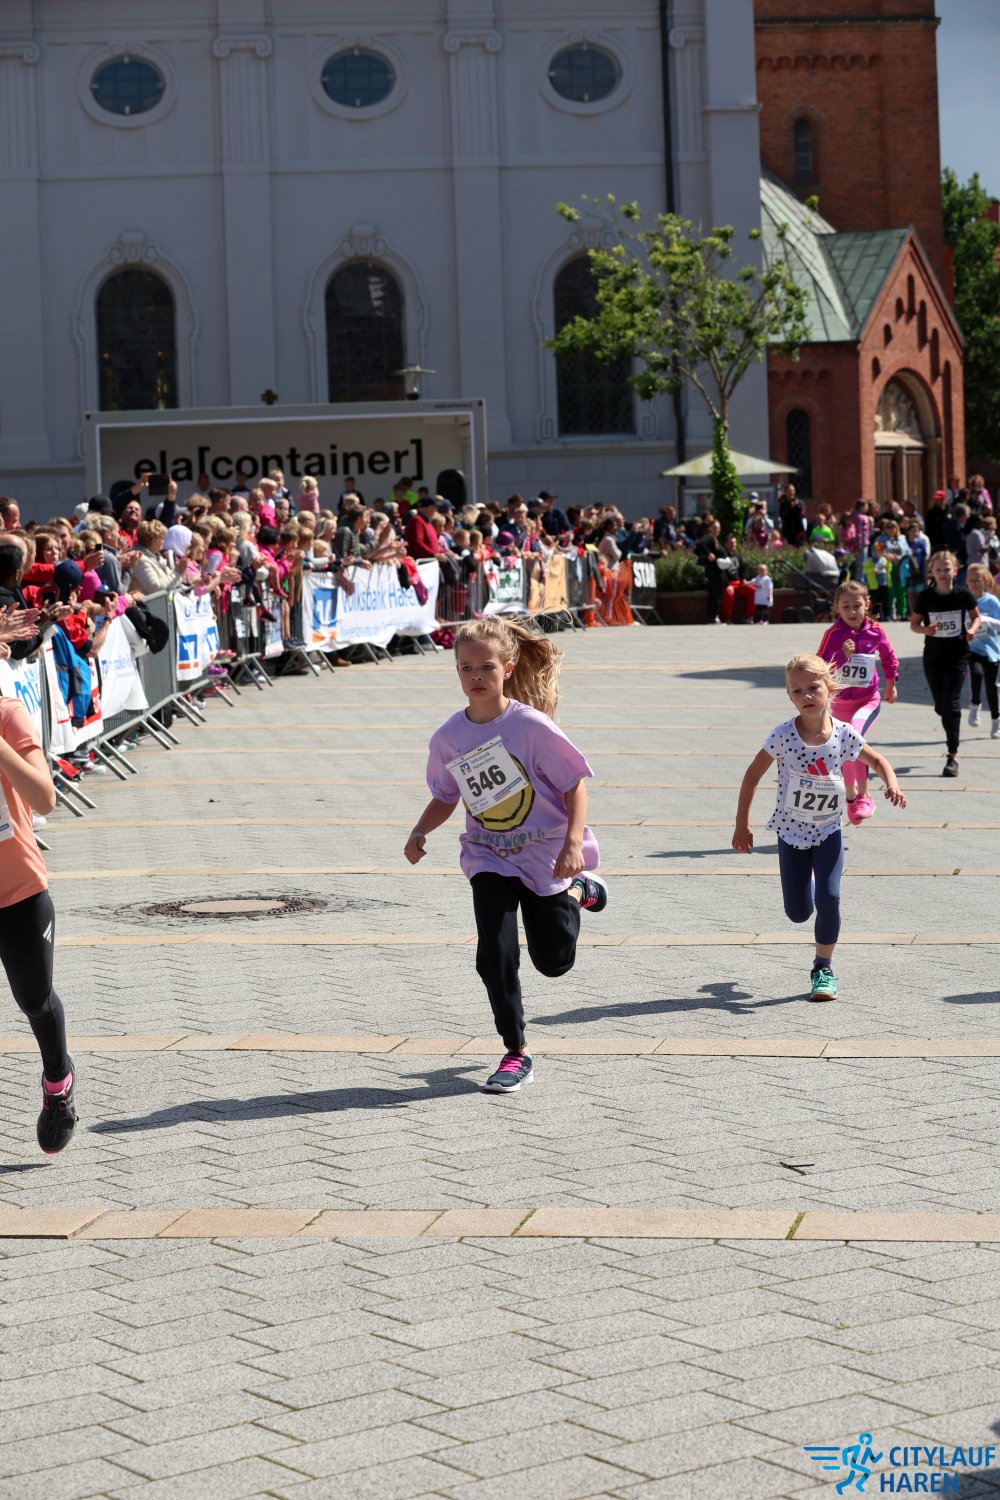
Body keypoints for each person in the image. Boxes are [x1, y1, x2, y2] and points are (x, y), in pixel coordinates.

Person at [404, 617, 608, 1093]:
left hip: (545, 856)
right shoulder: (448, 737)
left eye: (486, 667)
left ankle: (577, 891)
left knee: (554, 962)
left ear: (508, 669)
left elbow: (574, 784)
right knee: (494, 953)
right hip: (488, 855)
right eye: (466, 668)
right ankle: (516, 1051)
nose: (476, 676)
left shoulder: (529, 726)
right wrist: (419, 830)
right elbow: (446, 795)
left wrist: (573, 843)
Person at [732, 653, 905, 1002]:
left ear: (830, 689)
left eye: (813, 688)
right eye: (797, 691)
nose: (806, 696)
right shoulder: (783, 735)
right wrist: (741, 825)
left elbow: (877, 759)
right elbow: (751, 776)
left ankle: (823, 968)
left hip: (828, 831)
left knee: (831, 897)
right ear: (789, 696)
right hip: (790, 833)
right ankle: (808, 887)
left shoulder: (843, 734)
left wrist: (892, 783)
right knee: (798, 913)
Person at [0, 676, 78, 1152]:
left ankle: (58, 1083)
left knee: (35, 1001)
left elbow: (45, 797)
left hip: (17, 891)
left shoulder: (8, 714)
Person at [817, 582, 898, 823]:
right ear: (836, 607)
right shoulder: (833, 634)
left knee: (854, 737)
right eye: (846, 607)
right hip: (840, 703)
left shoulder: (876, 631)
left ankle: (864, 795)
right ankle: (851, 798)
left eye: (857, 606)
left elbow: (889, 657)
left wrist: (891, 683)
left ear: (867, 605)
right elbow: (820, 666)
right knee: (845, 749)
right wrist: (842, 655)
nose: (852, 612)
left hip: (867, 700)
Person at [911, 550, 980, 777]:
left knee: (951, 706)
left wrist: (972, 629)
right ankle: (947, 720)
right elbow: (914, 624)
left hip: (958, 656)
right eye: (938, 569)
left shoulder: (963, 595)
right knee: (941, 707)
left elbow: (976, 616)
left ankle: (952, 755)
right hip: (933, 658)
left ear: (955, 570)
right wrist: (926, 630)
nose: (943, 573)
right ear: (932, 571)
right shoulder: (926, 597)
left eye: (947, 569)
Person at [965, 563, 1000, 738]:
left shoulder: (991, 602)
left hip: (991, 651)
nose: (974, 583)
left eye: (977, 580)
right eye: (971, 580)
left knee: (993, 689)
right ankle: (974, 705)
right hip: (972, 649)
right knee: (976, 674)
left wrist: (987, 621)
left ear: (985, 580)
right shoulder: (964, 600)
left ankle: (996, 722)